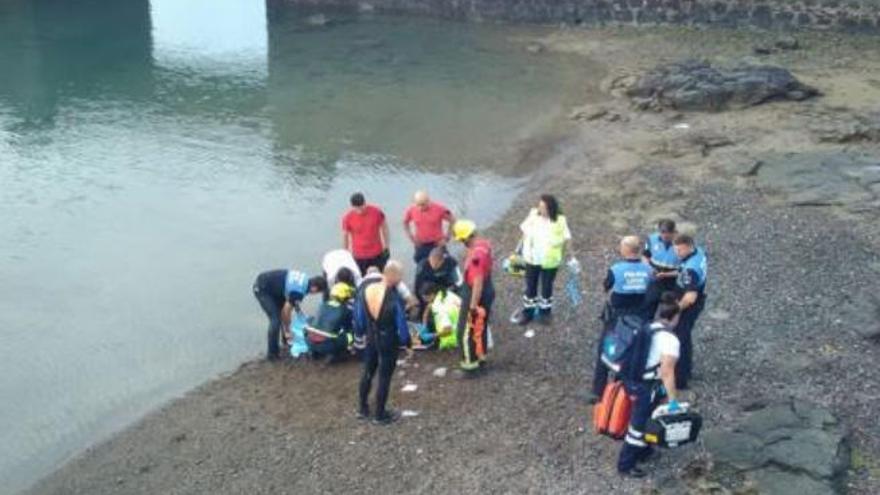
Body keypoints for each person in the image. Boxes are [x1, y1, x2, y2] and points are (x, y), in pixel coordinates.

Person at [618, 298, 682, 478]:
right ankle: (626, 463)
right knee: (639, 424)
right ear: (675, 317)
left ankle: (644, 450)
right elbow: (667, 372)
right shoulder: (670, 340)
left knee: (645, 418)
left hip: (632, 380)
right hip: (647, 387)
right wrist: (673, 400)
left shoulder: (649, 327)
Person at [590, 236, 654, 402]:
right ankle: (622, 386)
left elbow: (606, 287)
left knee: (605, 349)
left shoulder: (616, 269)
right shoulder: (648, 269)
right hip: (639, 315)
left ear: (626, 250)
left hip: (617, 316)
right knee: (631, 350)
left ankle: (598, 390)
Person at [354, 261, 410, 425]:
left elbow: (358, 317)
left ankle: (363, 408)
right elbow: (401, 323)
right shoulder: (393, 297)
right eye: (400, 277)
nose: (400, 280)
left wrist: (361, 333)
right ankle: (380, 414)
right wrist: (407, 343)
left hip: (371, 336)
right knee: (384, 376)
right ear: (393, 275)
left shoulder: (366, 289)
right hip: (388, 338)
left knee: (368, 371)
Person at [513, 194, 573, 325]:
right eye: (539, 206)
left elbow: (567, 238)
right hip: (532, 259)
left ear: (551, 208)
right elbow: (524, 233)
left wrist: (572, 257)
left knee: (546, 287)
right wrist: (517, 249)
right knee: (530, 287)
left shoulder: (560, 221)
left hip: (550, 262)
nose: (540, 210)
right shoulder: (533, 216)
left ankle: (545, 313)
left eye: (543, 207)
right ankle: (528, 312)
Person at [252, 269, 327, 361]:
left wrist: (298, 313)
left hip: (275, 286)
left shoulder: (306, 280)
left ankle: (286, 340)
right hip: (262, 289)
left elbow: (292, 299)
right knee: (275, 319)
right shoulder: (299, 291)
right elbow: (286, 312)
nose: (314, 294)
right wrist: (287, 329)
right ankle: (272, 354)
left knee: (282, 313)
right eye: (317, 292)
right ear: (314, 288)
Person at [452, 219, 495, 372]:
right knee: (480, 326)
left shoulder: (476, 256)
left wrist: (472, 306)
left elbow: (477, 282)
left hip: (476, 293)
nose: (461, 243)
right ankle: (481, 356)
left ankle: (470, 365)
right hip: (488, 289)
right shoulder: (484, 245)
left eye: (461, 240)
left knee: (465, 330)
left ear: (466, 238)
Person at [672, 234, 708, 390]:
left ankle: (680, 378)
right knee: (684, 337)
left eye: (679, 250)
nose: (677, 253)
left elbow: (690, 297)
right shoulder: (699, 253)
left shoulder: (690, 270)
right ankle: (686, 371)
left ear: (687, 246)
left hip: (689, 305)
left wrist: (676, 309)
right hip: (700, 297)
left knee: (680, 338)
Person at [307, 283, 356, 364]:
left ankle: (314, 351)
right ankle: (335, 353)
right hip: (328, 345)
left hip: (310, 341)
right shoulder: (345, 310)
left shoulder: (322, 305)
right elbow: (348, 328)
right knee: (351, 333)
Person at [342, 192, 390, 274]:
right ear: (352, 206)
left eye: (361, 207)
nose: (360, 210)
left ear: (365, 203)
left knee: (380, 276)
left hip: (377, 253)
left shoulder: (376, 212)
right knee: (362, 278)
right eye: (357, 208)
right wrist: (346, 253)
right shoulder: (347, 218)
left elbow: (384, 228)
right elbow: (345, 236)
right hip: (359, 255)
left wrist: (386, 246)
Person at [403, 190, 455, 264]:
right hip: (421, 244)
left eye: (423, 204)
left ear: (428, 201)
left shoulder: (439, 209)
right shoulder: (411, 210)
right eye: (418, 205)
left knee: (442, 264)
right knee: (421, 265)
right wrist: (411, 237)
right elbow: (405, 223)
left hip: (437, 243)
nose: (421, 207)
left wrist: (447, 238)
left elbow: (452, 220)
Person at [643, 219, 680, 316]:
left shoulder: (681, 244)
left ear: (674, 232)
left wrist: (667, 275)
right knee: (648, 304)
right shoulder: (651, 239)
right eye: (662, 232)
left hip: (672, 281)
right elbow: (645, 256)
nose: (665, 236)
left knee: (669, 311)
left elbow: (684, 270)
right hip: (654, 278)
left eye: (668, 233)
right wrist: (649, 269)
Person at [418, 282, 462, 351]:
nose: (425, 301)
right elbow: (429, 306)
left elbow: (448, 330)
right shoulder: (445, 294)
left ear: (432, 295)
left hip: (453, 341)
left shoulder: (439, 307)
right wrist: (424, 324)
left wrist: (432, 336)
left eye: (426, 298)